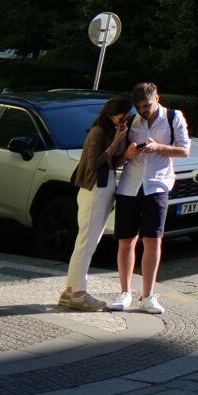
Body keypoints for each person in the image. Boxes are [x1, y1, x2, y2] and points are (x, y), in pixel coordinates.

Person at [109, 82, 189, 315]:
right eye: (139, 106)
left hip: (157, 185)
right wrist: (127, 153)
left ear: (158, 98)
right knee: (126, 241)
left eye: (147, 105)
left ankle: (148, 296)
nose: (143, 110)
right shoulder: (131, 121)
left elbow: (184, 151)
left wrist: (158, 147)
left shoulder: (173, 117)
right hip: (129, 186)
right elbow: (117, 159)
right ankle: (125, 293)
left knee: (152, 240)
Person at [57, 96, 131, 311]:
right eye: (121, 117)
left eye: (127, 117)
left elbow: (111, 162)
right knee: (86, 244)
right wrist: (116, 142)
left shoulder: (112, 129)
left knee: (87, 242)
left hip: (103, 188)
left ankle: (70, 291)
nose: (124, 121)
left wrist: (122, 149)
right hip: (94, 190)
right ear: (110, 115)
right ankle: (78, 294)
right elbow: (93, 164)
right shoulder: (99, 131)